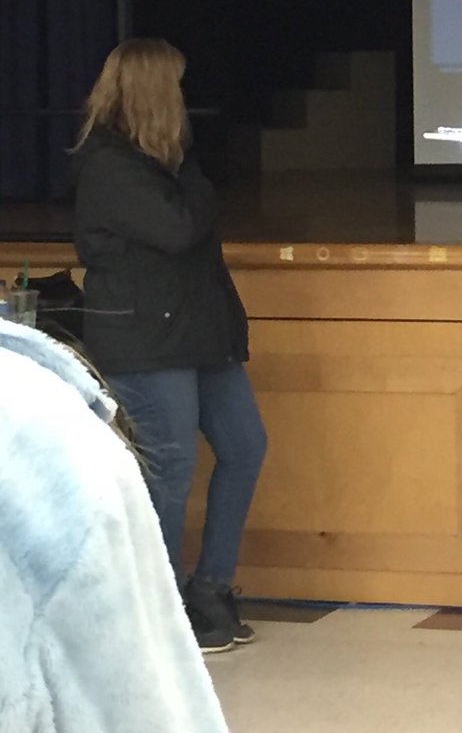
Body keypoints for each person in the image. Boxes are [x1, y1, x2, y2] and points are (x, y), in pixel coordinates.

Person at [71, 38, 267, 654]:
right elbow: (180, 229)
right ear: (156, 94)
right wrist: (197, 182)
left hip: (197, 332)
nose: (183, 99)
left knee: (244, 447)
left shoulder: (164, 162)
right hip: (146, 339)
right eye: (175, 87)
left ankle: (209, 589)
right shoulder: (110, 163)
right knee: (170, 469)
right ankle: (154, 606)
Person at [0, 318, 231, 733]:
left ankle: (202, 594)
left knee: (232, 448)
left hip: (189, 327)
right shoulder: (33, 421)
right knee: (171, 464)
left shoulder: (36, 418)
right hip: (148, 333)